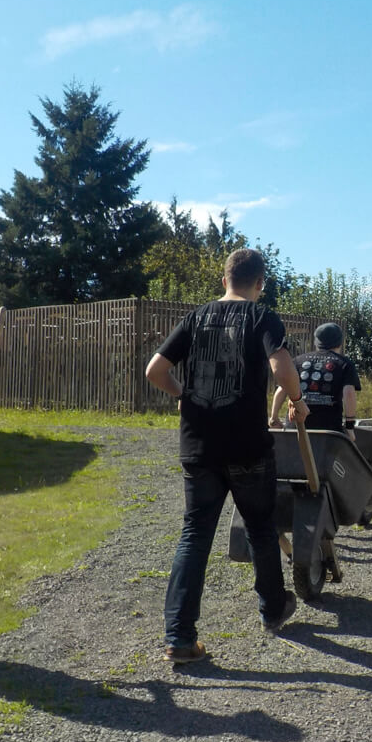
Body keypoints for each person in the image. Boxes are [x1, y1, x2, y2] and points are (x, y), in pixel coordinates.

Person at [146, 248, 308, 665]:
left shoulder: (195, 317)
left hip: (199, 444)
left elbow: (155, 371)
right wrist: (297, 400)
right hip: (246, 445)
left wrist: (185, 395)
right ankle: (273, 609)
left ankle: (180, 637)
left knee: (194, 534)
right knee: (260, 527)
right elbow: (282, 367)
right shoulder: (262, 317)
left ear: (224, 280)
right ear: (260, 284)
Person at [270, 322, 361, 440]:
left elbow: (282, 389)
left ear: (316, 342)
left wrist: (274, 418)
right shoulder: (344, 363)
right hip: (328, 429)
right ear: (340, 343)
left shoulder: (298, 360)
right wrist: (349, 427)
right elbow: (348, 393)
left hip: (296, 425)